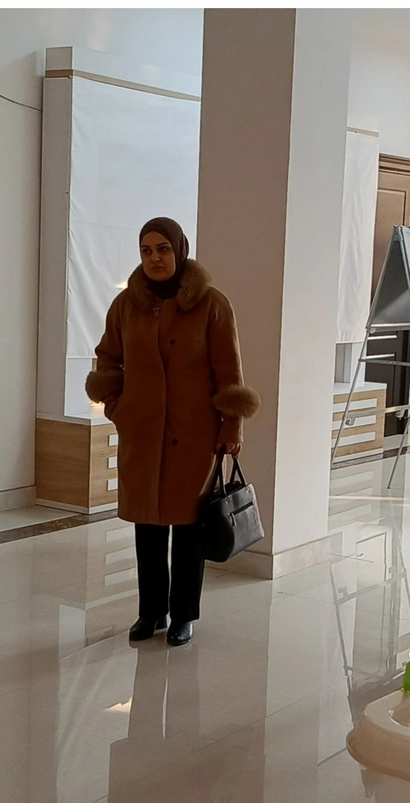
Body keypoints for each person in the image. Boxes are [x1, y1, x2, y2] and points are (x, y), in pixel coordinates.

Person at [86, 218, 261, 647]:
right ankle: (151, 612)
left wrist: (232, 425)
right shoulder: (126, 306)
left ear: (179, 250)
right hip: (142, 433)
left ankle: (183, 614)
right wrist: (117, 407)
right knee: (147, 524)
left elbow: (229, 372)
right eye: (146, 251)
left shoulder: (212, 305)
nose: (155, 258)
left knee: (188, 528)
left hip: (195, 434)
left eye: (162, 249)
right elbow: (108, 358)